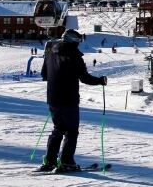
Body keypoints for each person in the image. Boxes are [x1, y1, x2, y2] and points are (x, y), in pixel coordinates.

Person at [39, 29, 107, 173]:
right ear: (73, 42)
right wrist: (100, 80)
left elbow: (44, 74)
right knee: (71, 131)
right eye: (78, 42)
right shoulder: (74, 55)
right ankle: (66, 162)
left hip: (52, 99)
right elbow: (85, 78)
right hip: (68, 99)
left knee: (58, 129)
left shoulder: (50, 52)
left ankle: (50, 160)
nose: (79, 45)